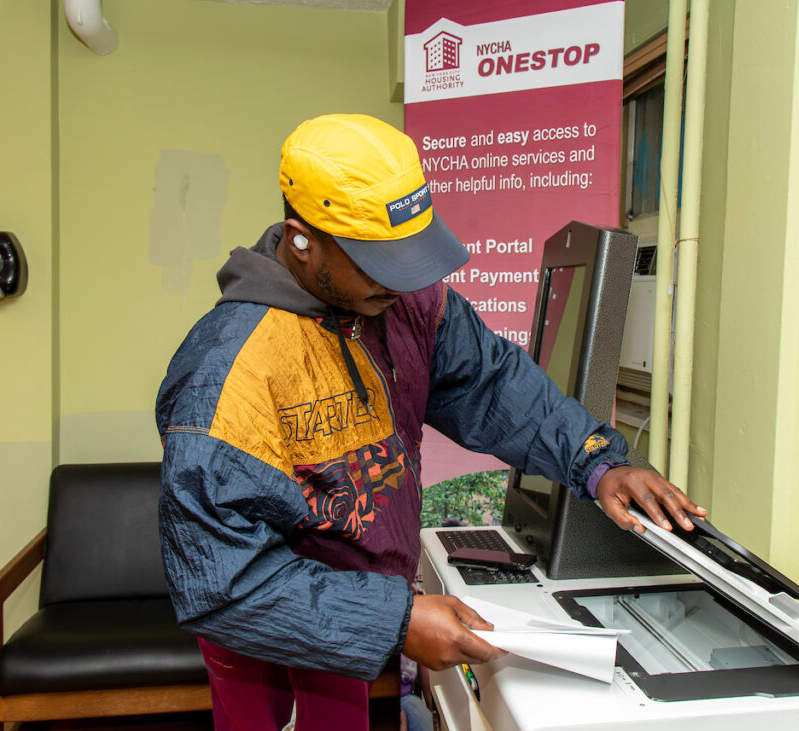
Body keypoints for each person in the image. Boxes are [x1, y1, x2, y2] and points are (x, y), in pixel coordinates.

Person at [155, 113, 706, 731]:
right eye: (376, 261)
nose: (403, 280)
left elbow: (494, 384)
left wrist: (595, 460)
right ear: (301, 238)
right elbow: (223, 579)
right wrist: (395, 620)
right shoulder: (226, 370)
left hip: (369, 608)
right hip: (275, 634)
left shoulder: (410, 304)